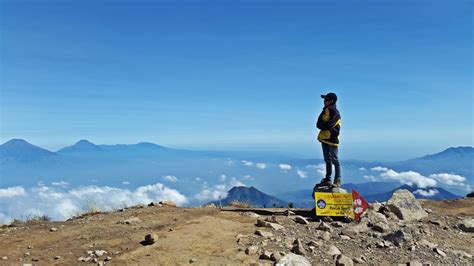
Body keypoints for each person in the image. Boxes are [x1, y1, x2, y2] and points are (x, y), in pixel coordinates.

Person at [315, 92, 342, 188]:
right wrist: (324, 126)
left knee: (335, 160)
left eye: (326, 99)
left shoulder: (335, 113)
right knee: (327, 160)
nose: (324, 101)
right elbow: (318, 124)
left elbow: (330, 125)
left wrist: (323, 126)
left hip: (332, 140)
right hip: (324, 139)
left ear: (331, 101)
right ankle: (328, 179)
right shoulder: (325, 111)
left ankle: (337, 180)